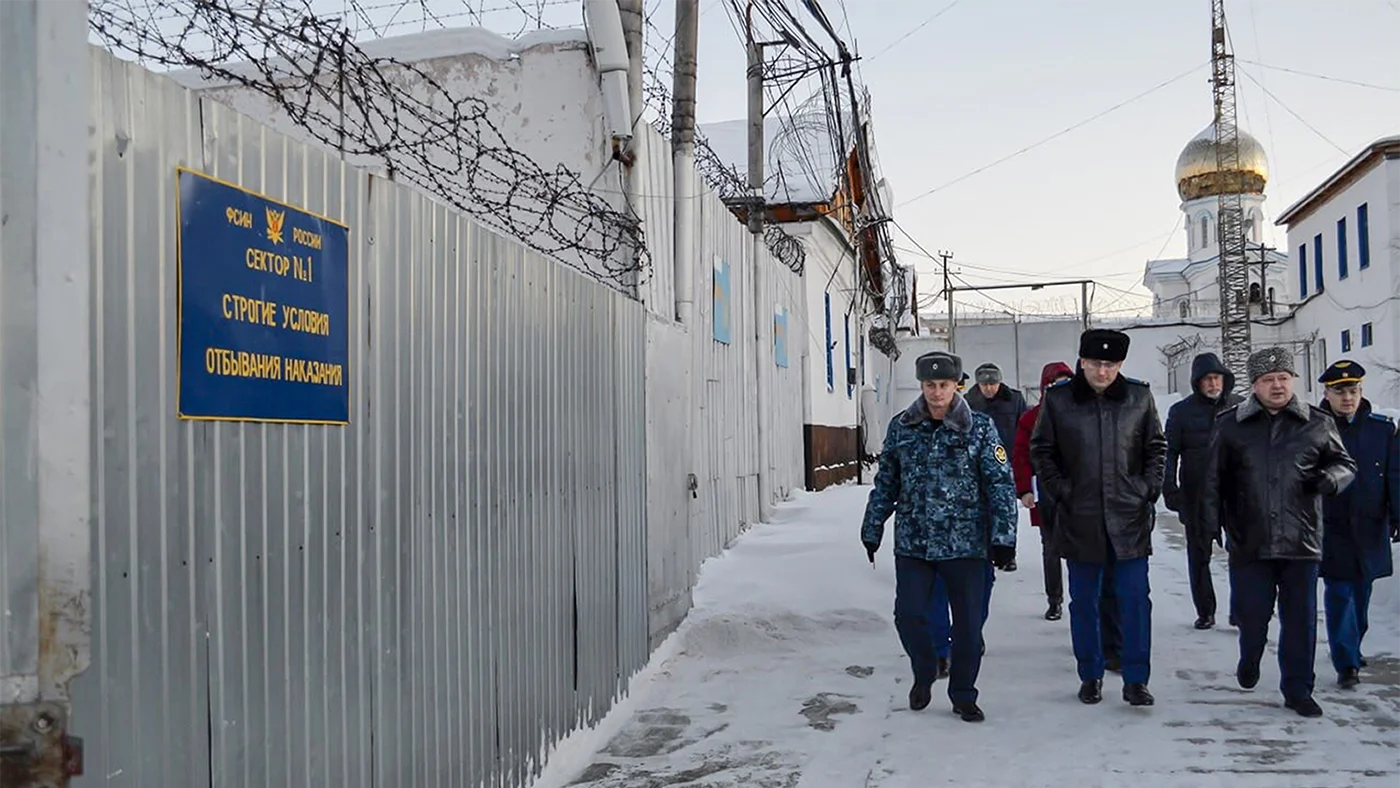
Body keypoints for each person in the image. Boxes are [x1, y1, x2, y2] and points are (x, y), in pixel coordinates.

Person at [862, 351, 1018, 723]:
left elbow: (999, 482)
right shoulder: (903, 426)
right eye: (930, 385)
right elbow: (887, 482)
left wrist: (1003, 536)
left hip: (965, 543)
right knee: (909, 614)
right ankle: (925, 668)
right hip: (915, 541)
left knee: (966, 625)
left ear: (956, 386)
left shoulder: (978, 427)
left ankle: (963, 693)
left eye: (944, 385)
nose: (936, 392)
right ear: (921, 386)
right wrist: (873, 526)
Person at [1199, 347, 1356, 718]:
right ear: (1255, 385)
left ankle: (1298, 689)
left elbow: (1344, 464)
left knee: (1299, 620)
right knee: (1252, 615)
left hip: (1301, 539)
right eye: (1268, 380)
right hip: (1249, 538)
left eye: (1283, 378)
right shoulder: (1230, 425)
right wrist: (1209, 527)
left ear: (1293, 381)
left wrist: (1330, 480)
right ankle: (1250, 654)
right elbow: (1211, 482)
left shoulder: (1316, 423)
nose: (1277, 386)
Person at [1030, 328, 1166, 707]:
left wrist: (1146, 488)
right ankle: (1089, 674)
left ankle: (1136, 679)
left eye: (1110, 365)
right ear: (1082, 362)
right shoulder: (1059, 400)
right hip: (1080, 516)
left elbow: (1156, 446)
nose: (1102, 372)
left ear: (1120, 365)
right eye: (1095, 364)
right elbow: (1041, 449)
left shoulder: (1138, 397)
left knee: (1135, 601)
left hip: (1129, 518)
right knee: (1084, 602)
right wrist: (1061, 490)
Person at [1315, 360, 1400, 688]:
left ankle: (1352, 642)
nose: (1347, 397)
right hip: (1330, 525)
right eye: (1339, 392)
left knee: (1362, 593)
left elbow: (1394, 474)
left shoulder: (1381, 429)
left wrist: (1397, 515)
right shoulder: (1315, 426)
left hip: (1370, 524)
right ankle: (1346, 662)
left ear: (1361, 391)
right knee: (1339, 594)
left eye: (1352, 390)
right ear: (1327, 394)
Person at [1163, 352, 1244, 630]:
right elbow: (1169, 453)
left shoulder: (1240, 407)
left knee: (1241, 554)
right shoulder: (1181, 412)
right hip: (1195, 493)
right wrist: (1170, 488)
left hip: (1234, 494)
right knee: (1199, 556)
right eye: (1207, 379)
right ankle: (1205, 611)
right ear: (1197, 383)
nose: (1212, 384)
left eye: (1217, 378)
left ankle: (1240, 611)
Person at [1013, 361, 1075, 620]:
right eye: (1054, 383)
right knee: (1050, 548)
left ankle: (1084, 602)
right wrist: (1025, 489)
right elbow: (1020, 456)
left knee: (1081, 551)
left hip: (1079, 495)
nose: (1060, 388)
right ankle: (1055, 599)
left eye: (1065, 382)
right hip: (1045, 493)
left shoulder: (1082, 413)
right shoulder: (1031, 418)